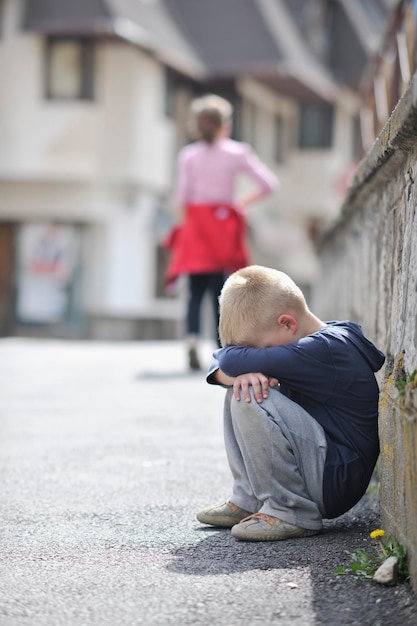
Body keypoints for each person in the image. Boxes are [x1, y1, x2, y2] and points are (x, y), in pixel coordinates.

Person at [196, 265, 385, 541]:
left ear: (287, 323)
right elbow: (223, 361)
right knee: (241, 386)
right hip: (323, 464)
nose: (254, 358)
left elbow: (228, 360)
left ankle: (290, 510)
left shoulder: (322, 350)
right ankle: (250, 499)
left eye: (257, 351)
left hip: (334, 479)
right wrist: (242, 371)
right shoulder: (317, 338)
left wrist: (239, 368)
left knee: (249, 393)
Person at [165, 95, 277, 370]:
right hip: (222, 223)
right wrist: (240, 204)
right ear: (224, 123)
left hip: (196, 224)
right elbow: (268, 184)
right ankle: (221, 349)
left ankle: (191, 339)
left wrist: (185, 228)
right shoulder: (237, 152)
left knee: (194, 291)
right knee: (221, 290)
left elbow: (181, 197)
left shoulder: (188, 155)